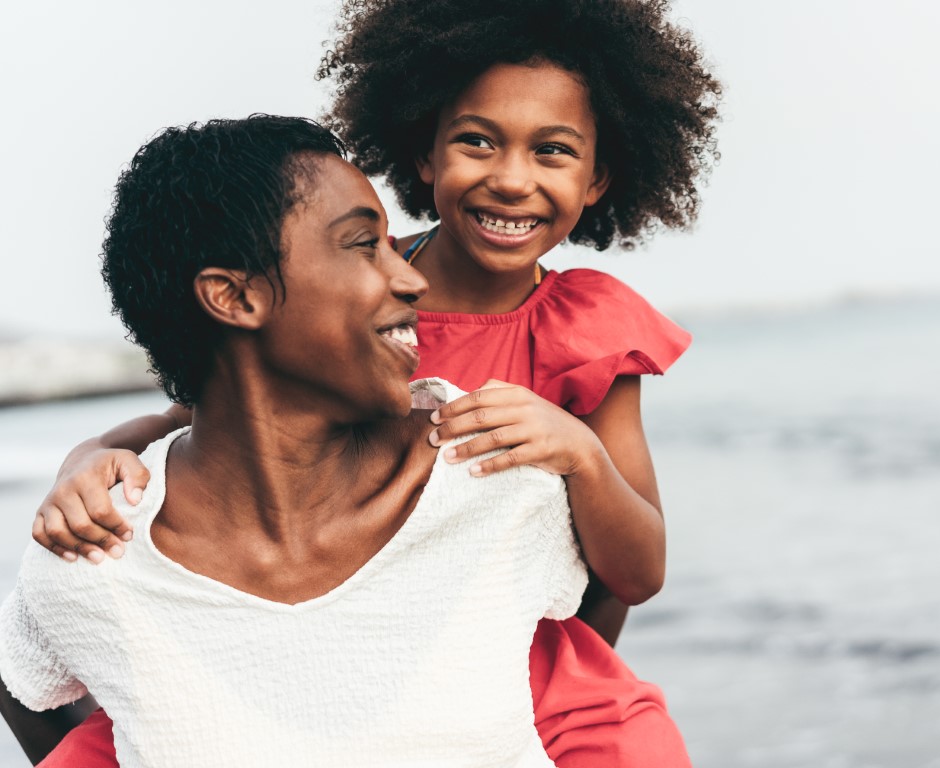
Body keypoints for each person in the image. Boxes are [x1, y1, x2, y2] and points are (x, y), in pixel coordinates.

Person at [32, 0, 721, 764]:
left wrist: (579, 455)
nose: (511, 179)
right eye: (476, 142)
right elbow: (203, 417)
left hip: (526, 669)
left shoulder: (588, 330)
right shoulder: (348, 298)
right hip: (338, 643)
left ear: (598, 181)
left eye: (553, 152)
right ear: (423, 156)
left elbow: (637, 571)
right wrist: (85, 463)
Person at [0, 115, 591, 767]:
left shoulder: (496, 475)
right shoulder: (95, 554)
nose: (412, 280)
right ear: (234, 296)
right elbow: (21, 678)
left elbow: (604, 620)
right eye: (365, 245)